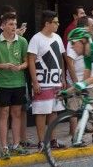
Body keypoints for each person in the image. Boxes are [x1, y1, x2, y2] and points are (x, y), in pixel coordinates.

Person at [0, 13, 29, 159]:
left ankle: (16, 145)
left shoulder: (23, 41)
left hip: (18, 82)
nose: (14, 27)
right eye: (10, 24)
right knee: (3, 114)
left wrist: (21, 67)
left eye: (15, 24)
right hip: (2, 83)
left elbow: (27, 61)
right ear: (3, 26)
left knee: (17, 114)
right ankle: (5, 147)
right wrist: (3, 65)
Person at [28, 10, 67, 152]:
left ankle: (53, 140)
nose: (58, 24)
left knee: (54, 111)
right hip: (42, 81)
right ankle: (41, 142)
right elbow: (31, 60)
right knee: (41, 112)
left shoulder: (57, 38)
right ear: (47, 23)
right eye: (55, 22)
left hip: (56, 80)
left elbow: (61, 58)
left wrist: (62, 77)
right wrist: (35, 82)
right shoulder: (36, 39)